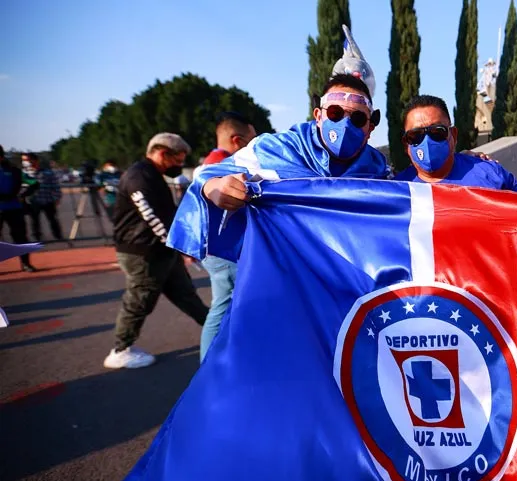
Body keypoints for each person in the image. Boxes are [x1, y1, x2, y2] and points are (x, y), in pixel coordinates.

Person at [169, 73, 388, 262]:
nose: (345, 124)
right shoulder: (274, 148)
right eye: (335, 113)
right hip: (284, 270)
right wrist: (215, 188)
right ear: (319, 116)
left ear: (370, 127)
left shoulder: (379, 170)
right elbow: (208, 176)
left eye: (358, 117)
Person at [106, 133, 209, 369]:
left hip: (161, 249)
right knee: (139, 300)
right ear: (163, 154)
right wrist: (182, 245)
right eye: (178, 160)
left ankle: (219, 331)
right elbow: (152, 217)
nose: (179, 166)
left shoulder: (152, 175)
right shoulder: (139, 177)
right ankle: (120, 350)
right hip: (142, 252)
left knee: (186, 294)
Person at [197, 112, 258, 362]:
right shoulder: (223, 166)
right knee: (223, 307)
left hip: (215, 248)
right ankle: (208, 365)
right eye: (252, 140)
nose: (256, 145)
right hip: (222, 250)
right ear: (237, 140)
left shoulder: (211, 162)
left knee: (223, 304)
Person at [0, 145, 37, 272]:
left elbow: (34, 183)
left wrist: (22, 195)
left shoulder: (14, 171)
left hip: (13, 208)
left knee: (20, 237)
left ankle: (26, 263)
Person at [21, 153, 63, 242]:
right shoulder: (25, 174)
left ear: (35, 160)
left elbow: (55, 185)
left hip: (48, 200)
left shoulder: (47, 172)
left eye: (28, 160)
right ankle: (37, 238)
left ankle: (58, 236)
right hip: (33, 201)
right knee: (35, 221)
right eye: (25, 161)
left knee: (52, 219)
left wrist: (57, 198)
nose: (27, 162)